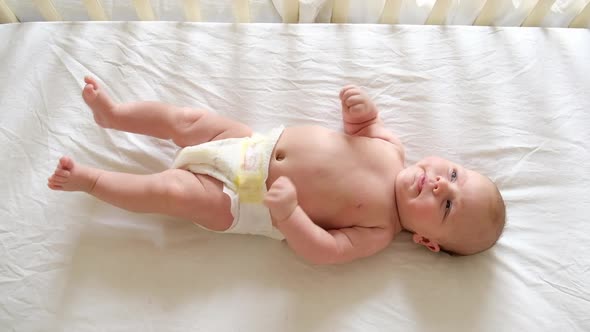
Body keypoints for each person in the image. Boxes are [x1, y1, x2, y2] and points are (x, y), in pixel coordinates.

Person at [48, 76, 506, 264]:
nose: (441, 183)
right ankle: (114, 115)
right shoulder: (391, 148)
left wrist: (289, 214)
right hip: (249, 142)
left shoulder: (378, 231)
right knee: (187, 121)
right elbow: (363, 126)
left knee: (173, 193)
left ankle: (92, 181)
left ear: (428, 241)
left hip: (242, 202)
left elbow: (323, 249)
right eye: (455, 174)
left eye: (445, 204)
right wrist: (361, 110)